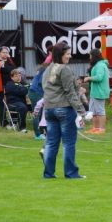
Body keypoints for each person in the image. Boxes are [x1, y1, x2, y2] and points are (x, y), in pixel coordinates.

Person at [41, 42, 88, 179]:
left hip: (49, 109)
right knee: (68, 143)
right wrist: (82, 110)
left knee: (51, 143)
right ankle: (71, 173)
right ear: (60, 55)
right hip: (64, 109)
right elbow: (70, 92)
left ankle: (48, 173)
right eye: (67, 53)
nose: (70, 56)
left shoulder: (48, 69)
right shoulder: (64, 69)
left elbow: (45, 88)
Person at [84, 48, 110, 134]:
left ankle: (102, 129)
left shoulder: (100, 65)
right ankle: (95, 128)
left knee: (100, 111)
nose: (90, 57)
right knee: (93, 111)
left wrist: (89, 78)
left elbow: (99, 77)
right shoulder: (97, 64)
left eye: (90, 55)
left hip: (100, 91)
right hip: (94, 91)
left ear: (94, 56)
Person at [28, 55, 51, 140]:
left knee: (41, 113)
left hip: (36, 92)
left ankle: (41, 132)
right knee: (36, 113)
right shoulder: (45, 70)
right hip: (36, 93)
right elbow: (43, 83)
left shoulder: (43, 69)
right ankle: (37, 134)